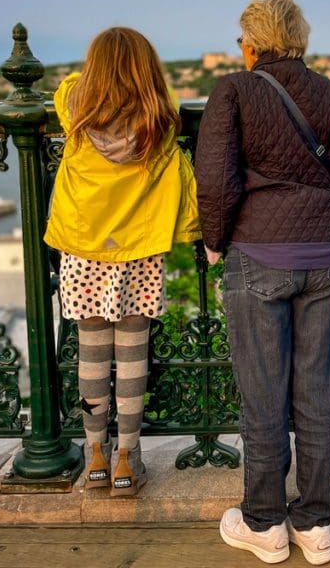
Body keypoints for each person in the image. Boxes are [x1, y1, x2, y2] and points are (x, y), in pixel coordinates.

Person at [195, 0, 330, 564]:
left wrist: (216, 240)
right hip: (320, 257)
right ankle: (315, 525)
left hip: (257, 255)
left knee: (263, 394)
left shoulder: (234, 90)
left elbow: (216, 179)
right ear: (299, 39)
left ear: (251, 43)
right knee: (316, 391)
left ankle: (265, 523)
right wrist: (326, 226)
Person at [44, 26, 199, 497]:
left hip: (86, 249)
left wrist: (88, 77)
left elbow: (65, 86)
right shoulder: (158, 118)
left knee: (91, 353)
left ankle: (95, 455)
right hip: (139, 251)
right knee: (132, 357)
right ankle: (127, 460)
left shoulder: (77, 111)